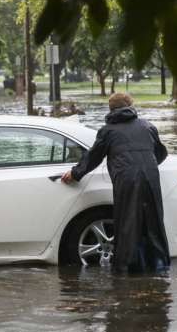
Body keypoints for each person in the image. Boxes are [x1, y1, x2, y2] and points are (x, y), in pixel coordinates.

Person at [61, 93, 169, 273]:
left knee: (127, 223)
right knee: (153, 222)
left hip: (126, 180)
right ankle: (159, 266)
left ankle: (125, 269)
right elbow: (161, 154)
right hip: (150, 178)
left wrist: (75, 173)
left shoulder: (108, 131)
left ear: (111, 109)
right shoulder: (148, 126)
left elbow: (93, 157)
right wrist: (144, 165)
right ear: (131, 106)